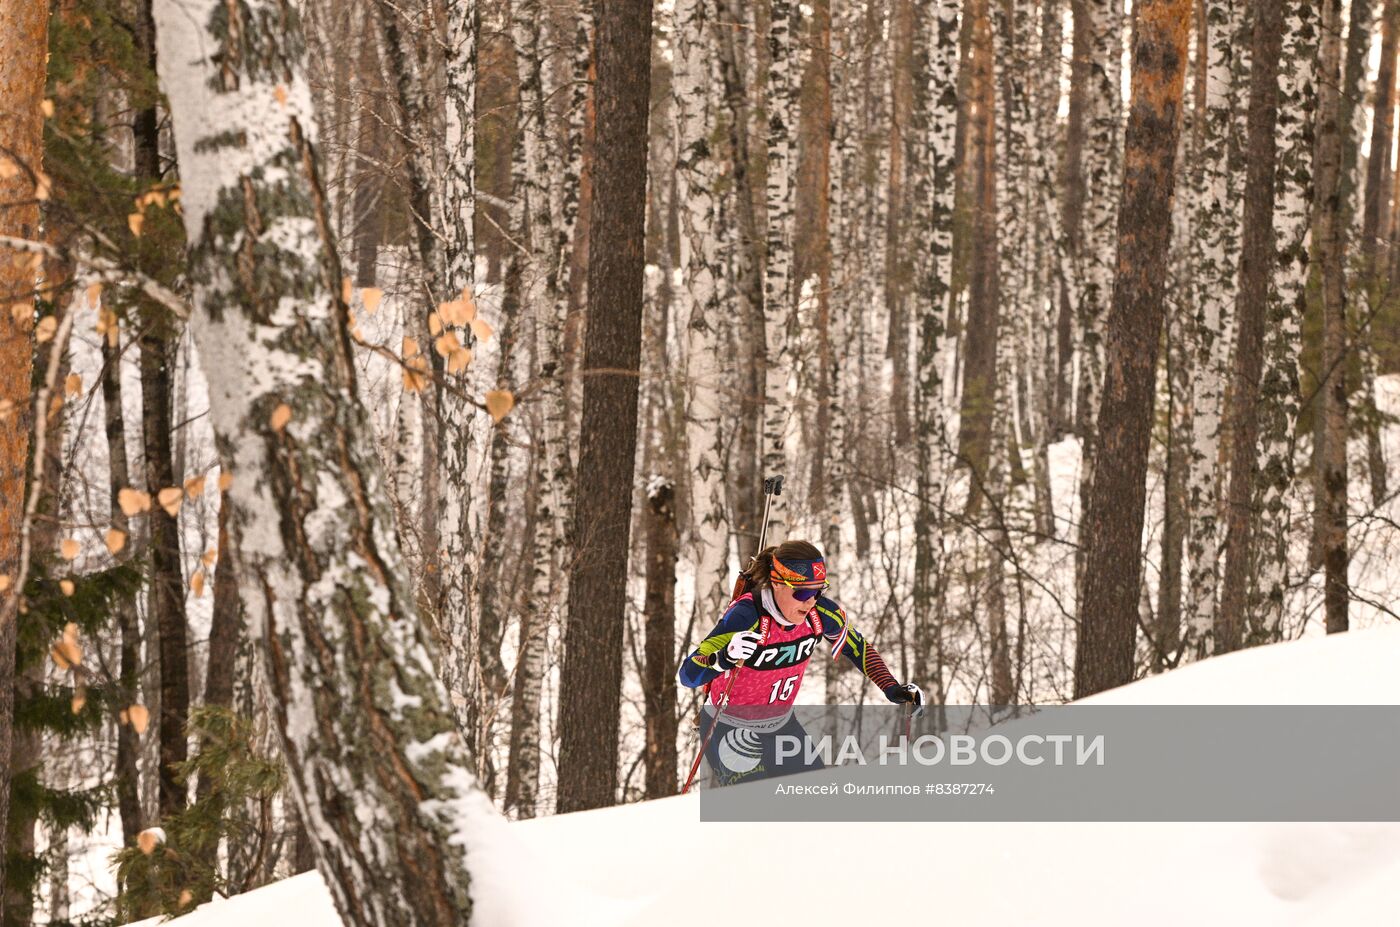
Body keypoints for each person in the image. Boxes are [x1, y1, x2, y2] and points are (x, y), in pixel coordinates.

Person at [678, 539, 923, 786]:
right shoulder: (747, 616)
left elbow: (857, 647)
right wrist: (723, 658)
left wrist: (892, 687)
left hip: (781, 727)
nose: (811, 601)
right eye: (803, 592)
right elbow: (688, 674)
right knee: (759, 811)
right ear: (776, 583)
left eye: (818, 591)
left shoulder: (821, 614)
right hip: (729, 727)